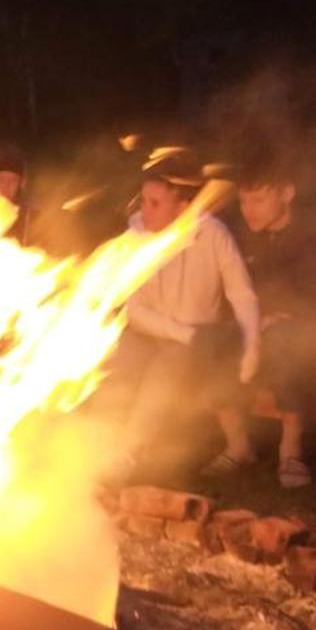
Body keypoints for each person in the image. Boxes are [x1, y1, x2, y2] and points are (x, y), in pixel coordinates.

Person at [106, 150, 261, 479]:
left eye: (155, 203)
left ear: (183, 207)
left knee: (168, 368)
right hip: (153, 332)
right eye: (144, 200)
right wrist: (182, 333)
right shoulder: (135, 238)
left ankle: (130, 452)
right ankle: (102, 444)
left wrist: (251, 346)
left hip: (198, 340)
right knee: (120, 361)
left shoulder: (213, 235)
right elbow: (133, 309)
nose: (145, 210)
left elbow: (241, 293)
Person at [223, 150, 316, 488]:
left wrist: (282, 316)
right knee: (213, 339)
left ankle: (291, 449)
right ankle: (237, 444)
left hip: (308, 341)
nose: (249, 209)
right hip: (255, 333)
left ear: (287, 194)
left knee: (288, 340)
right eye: (244, 201)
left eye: (259, 200)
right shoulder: (239, 238)